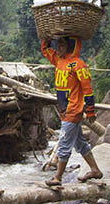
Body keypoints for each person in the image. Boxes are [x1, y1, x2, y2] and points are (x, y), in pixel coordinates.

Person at [40, 36, 103, 187]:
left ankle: (58, 177)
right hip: (64, 110)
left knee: (64, 142)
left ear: (71, 46)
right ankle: (95, 170)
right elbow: (45, 50)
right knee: (79, 143)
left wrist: (90, 110)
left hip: (73, 110)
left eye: (63, 44)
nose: (59, 46)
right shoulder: (58, 60)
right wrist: (46, 38)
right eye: (58, 43)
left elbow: (87, 90)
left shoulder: (78, 65)